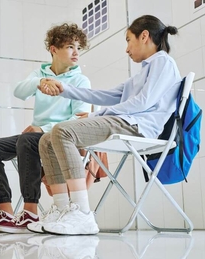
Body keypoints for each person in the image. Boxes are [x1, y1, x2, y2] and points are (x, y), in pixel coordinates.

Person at [29, 15, 181, 235]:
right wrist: (65, 89)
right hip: (127, 121)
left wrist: (97, 115)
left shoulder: (163, 62)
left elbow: (143, 102)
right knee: (46, 139)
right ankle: (62, 210)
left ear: (144, 36)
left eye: (129, 40)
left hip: (137, 126)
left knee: (62, 132)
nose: (127, 49)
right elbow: (106, 95)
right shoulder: (145, 71)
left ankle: (81, 214)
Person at [0, 23, 91, 234]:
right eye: (70, 47)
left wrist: (43, 128)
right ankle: (7, 213)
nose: (76, 52)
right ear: (54, 49)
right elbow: (19, 92)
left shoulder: (80, 80)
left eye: (78, 47)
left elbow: (78, 118)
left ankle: (30, 212)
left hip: (58, 138)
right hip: (36, 135)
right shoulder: (40, 72)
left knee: (26, 140)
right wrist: (40, 82)